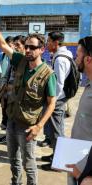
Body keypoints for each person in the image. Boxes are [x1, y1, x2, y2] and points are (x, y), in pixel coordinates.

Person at [0, 11, 56, 185]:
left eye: (33, 47)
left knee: (29, 164)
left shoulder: (48, 74)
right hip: (12, 121)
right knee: (13, 161)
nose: (28, 50)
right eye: (27, 46)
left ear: (42, 50)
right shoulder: (20, 61)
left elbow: (51, 104)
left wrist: (39, 126)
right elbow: (2, 45)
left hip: (28, 126)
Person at [40, 31, 73, 171]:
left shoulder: (60, 59)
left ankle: (59, 163)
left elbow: (58, 84)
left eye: (48, 41)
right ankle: (56, 155)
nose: (47, 44)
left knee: (56, 131)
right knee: (56, 129)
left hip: (57, 100)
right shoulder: (64, 55)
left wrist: (51, 101)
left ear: (56, 42)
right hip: (59, 98)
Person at [66, 36, 92, 185]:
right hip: (77, 159)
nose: (76, 58)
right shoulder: (88, 85)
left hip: (86, 171)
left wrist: (87, 177)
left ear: (88, 59)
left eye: (78, 54)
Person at [0, 35, 26, 144]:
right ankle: (8, 137)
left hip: (19, 100)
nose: (15, 47)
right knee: (8, 119)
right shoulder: (12, 60)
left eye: (18, 45)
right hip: (8, 96)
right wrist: (3, 88)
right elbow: (7, 75)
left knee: (19, 125)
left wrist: (12, 87)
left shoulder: (26, 62)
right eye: (15, 45)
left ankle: (17, 141)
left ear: (24, 46)